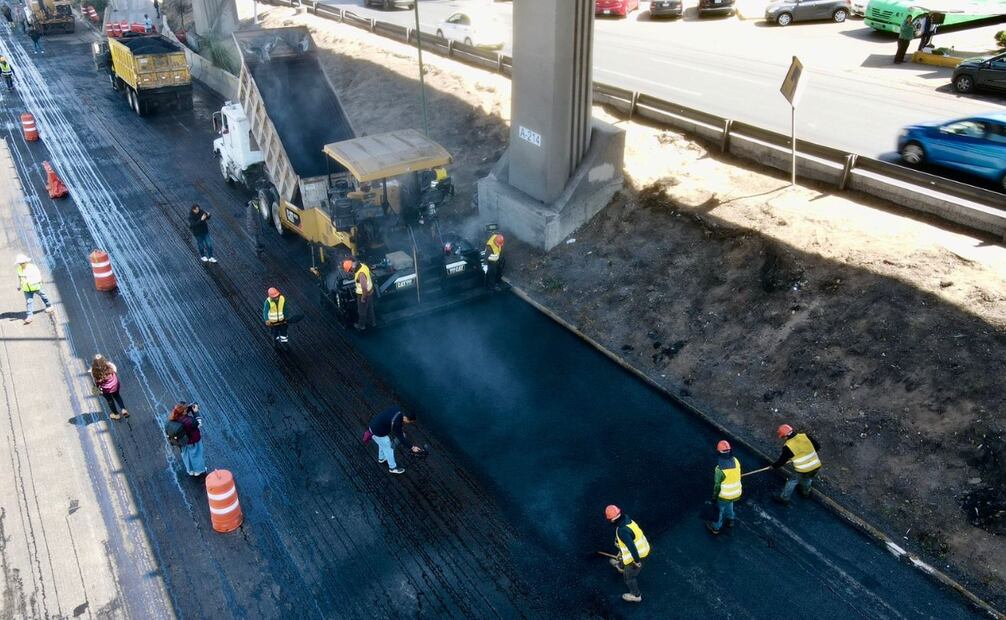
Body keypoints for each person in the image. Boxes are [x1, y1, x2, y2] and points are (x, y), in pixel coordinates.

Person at [605, 505, 649, 603]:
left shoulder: (623, 531)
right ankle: (621, 566)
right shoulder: (627, 519)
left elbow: (632, 547)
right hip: (644, 548)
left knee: (629, 577)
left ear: (611, 519)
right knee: (623, 556)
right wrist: (618, 541)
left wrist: (636, 561)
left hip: (638, 556)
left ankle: (636, 595)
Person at [771, 424, 822, 504]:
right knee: (807, 479)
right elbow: (817, 446)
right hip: (816, 465)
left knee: (792, 481)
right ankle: (806, 493)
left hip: (803, 469)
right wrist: (807, 453)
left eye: (782, 437)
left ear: (785, 436)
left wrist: (773, 466)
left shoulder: (788, 447)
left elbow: (782, 461)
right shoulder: (805, 436)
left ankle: (784, 499)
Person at [367, 406, 421, 475]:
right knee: (389, 448)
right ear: (405, 418)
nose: (408, 423)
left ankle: (381, 458)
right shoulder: (396, 423)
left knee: (382, 445)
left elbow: (395, 423)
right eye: (409, 421)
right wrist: (412, 447)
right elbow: (401, 438)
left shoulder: (397, 409)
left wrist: (400, 431)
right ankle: (392, 468)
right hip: (377, 433)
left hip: (373, 427)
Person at [706, 440, 741, 534]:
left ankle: (715, 528)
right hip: (736, 492)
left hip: (725, 495)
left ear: (718, 452)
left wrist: (714, 498)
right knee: (730, 504)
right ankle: (730, 520)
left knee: (719, 510)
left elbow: (717, 486)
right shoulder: (736, 460)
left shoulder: (719, 469)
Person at [167, 403, 206, 476]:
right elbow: (199, 423)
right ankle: (198, 471)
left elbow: (182, 415)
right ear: (184, 411)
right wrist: (196, 412)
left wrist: (188, 409)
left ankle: (190, 470)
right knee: (196, 455)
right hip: (193, 441)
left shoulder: (174, 417)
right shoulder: (189, 421)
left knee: (186, 456)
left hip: (182, 442)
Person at [14, 253, 52, 324]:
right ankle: (29, 316)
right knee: (29, 302)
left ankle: (49, 305)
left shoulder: (33, 267)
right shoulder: (19, 269)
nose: (21, 265)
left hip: (36, 287)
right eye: (20, 263)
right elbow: (19, 278)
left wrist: (31, 281)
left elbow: (38, 276)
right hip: (26, 289)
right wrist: (19, 286)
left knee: (43, 296)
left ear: (26, 262)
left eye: (22, 263)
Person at [91, 354, 129, 420]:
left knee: (110, 400)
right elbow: (115, 370)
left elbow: (95, 383)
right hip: (115, 385)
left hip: (106, 390)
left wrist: (97, 391)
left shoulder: (94, 372)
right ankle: (123, 409)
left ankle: (116, 415)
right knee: (117, 396)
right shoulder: (109, 365)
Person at [344, 259, 376, 331]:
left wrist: (363, 298)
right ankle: (373, 322)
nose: (350, 272)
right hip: (370, 291)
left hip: (364, 294)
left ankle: (361, 326)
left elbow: (364, 288)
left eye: (349, 271)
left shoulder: (361, 274)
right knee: (370, 308)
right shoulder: (362, 265)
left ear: (351, 267)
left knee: (361, 311)